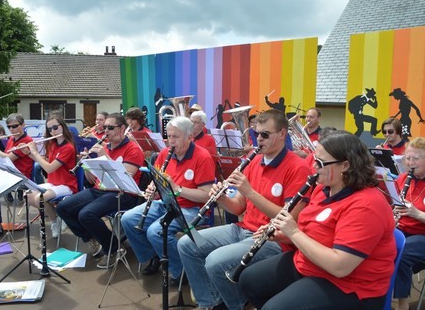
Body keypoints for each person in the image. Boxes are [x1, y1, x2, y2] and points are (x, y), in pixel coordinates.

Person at [239, 131, 396, 310]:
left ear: (345, 165)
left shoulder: (367, 205)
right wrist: (283, 235)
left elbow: (340, 267)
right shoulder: (324, 189)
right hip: (311, 264)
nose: (313, 167)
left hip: (350, 286)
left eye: (320, 163)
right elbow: (312, 233)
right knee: (249, 281)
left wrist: (293, 232)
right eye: (314, 159)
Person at [177, 109, 311, 310]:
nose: (259, 139)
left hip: (272, 239)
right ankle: (211, 302)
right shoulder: (254, 160)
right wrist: (221, 198)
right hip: (244, 228)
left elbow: (288, 219)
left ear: (282, 134)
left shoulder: (297, 167)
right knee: (187, 243)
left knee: (215, 261)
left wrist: (250, 192)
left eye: (265, 134)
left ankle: (240, 305)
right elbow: (239, 206)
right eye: (257, 134)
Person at [121, 116, 215, 286]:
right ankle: (156, 255)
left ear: (189, 137)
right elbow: (158, 181)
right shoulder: (164, 153)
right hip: (164, 203)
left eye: (175, 137)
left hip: (192, 209)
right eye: (169, 136)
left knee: (156, 232)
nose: (170, 141)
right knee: (127, 219)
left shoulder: (203, 157)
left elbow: (206, 196)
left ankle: (182, 271)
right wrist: (153, 190)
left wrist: (176, 188)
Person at [56, 113, 145, 268]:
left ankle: (114, 249)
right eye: (105, 128)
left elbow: (126, 177)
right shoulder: (104, 147)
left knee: (86, 214)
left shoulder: (133, 149)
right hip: (100, 189)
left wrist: (105, 157)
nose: (106, 132)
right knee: (63, 208)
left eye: (110, 128)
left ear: (122, 128)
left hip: (123, 193)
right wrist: (86, 164)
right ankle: (93, 237)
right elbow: (91, 180)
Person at [393, 137, 425, 310]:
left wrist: (417, 214)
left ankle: (402, 304)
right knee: (376, 246)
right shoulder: (403, 178)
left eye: (416, 159)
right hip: (403, 230)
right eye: (408, 158)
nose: (410, 162)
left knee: (400, 254)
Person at [20, 113, 77, 239]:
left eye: (55, 127)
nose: (53, 131)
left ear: (63, 126)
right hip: (53, 182)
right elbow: (46, 161)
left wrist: (35, 152)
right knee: (27, 195)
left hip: (66, 184)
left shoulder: (68, 147)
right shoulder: (52, 144)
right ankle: (57, 217)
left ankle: (55, 221)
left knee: (39, 198)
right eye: (49, 129)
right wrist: (29, 153)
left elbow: (49, 168)